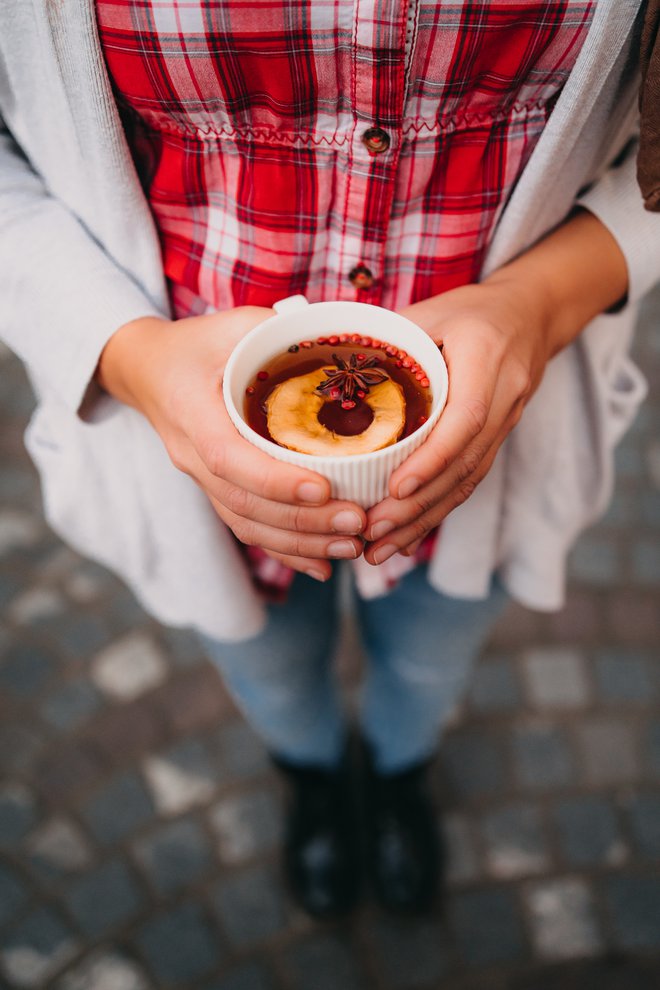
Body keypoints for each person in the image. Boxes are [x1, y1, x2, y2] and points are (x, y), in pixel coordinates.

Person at [1, 2, 658, 919]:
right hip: (183, 456)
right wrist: (132, 357)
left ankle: (397, 772)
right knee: (268, 663)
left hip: (502, 442)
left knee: (431, 657)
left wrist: (541, 303)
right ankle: (313, 776)